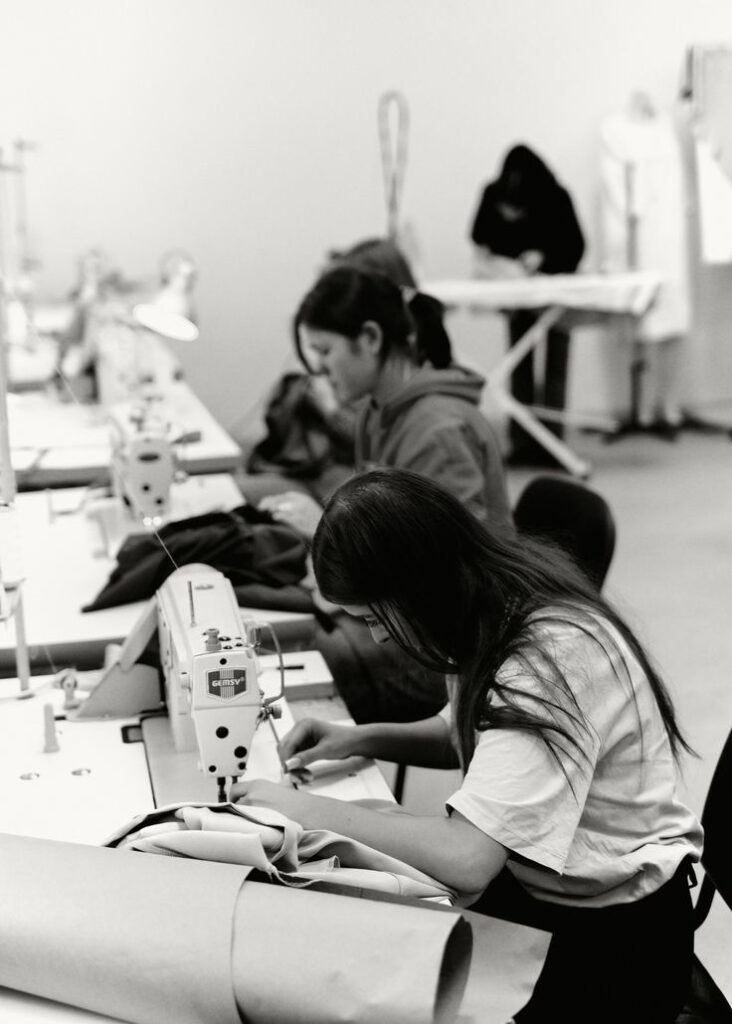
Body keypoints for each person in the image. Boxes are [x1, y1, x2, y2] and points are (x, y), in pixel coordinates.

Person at [232, 467, 703, 1023]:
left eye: (375, 617)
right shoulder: (487, 608)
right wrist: (362, 737)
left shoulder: (549, 655)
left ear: (416, 585)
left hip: (618, 943)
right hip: (549, 891)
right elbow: (470, 731)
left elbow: (468, 858)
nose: (377, 635)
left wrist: (302, 809)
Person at [257, 265, 511, 724]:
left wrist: (329, 529)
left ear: (371, 338)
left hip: (449, 648)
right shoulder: (379, 413)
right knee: (269, 628)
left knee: (283, 666)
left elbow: (452, 570)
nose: (319, 368)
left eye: (325, 351)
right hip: (408, 620)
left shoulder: (437, 430)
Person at [470, 144, 586, 466]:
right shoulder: (494, 194)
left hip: (556, 294)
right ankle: (522, 440)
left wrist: (543, 258)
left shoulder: (556, 197)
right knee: (519, 367)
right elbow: (480, 239)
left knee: (555, 366)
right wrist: (503, 264)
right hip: (517, 295)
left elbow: (576, 246)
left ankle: (552, 440)